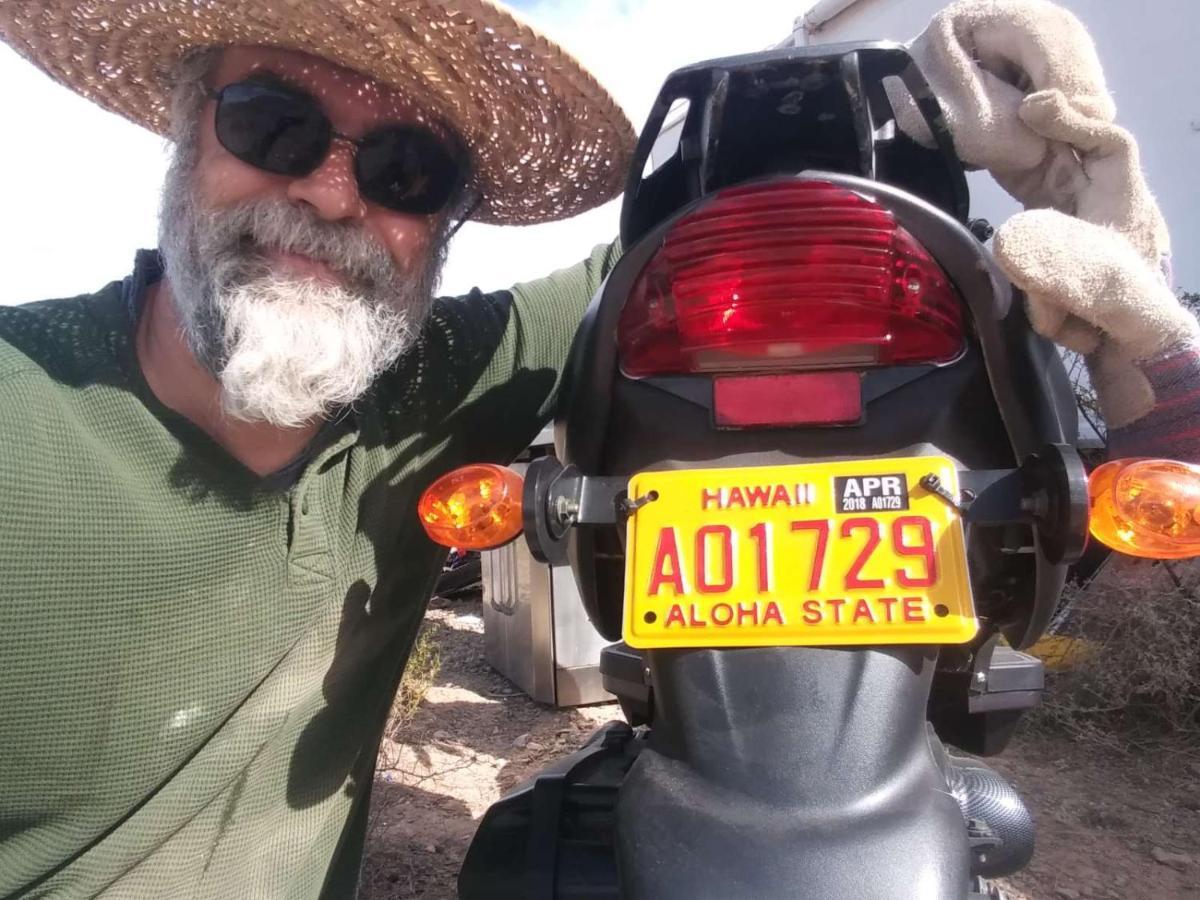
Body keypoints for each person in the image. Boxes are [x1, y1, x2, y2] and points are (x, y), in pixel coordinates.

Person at [0, 0, 1195, 897]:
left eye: (407, 167)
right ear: (183, 137)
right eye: (275, 123)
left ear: (440, 227)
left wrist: (1128, 288)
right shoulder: (22, 403)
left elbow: (697, 255)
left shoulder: (433, 375)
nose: (329, 192)